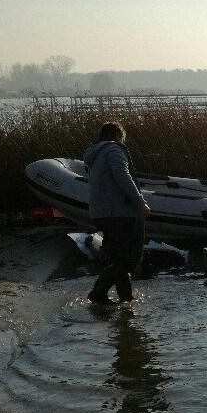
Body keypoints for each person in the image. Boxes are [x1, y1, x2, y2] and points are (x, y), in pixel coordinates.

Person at [84, 122, 150, 305]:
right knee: (129, 259)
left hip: (101, 214)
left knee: (117, 258)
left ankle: (126, 298)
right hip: (121, 213)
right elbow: (122, 175)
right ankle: (98, 293)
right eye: (123, 137)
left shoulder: (95, 154)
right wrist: (140, 202)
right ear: (117, 135)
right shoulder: (114, 149)